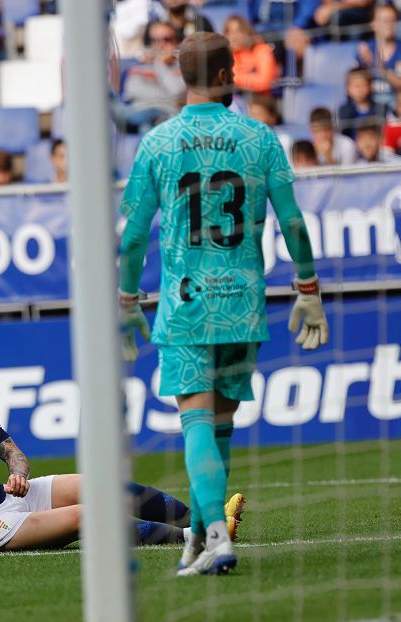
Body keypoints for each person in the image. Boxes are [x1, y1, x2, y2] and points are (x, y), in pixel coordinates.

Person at [118, 32, 328, 576]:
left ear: (186, 76)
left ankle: (216, 536)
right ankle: (198, 537)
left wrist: (126, 299)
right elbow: (295, 224)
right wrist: (308, 290)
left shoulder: (158, 143)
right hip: (243, 302)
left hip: (187, 303)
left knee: (195, 424)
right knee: (220, 426)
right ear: (223, 75)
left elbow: (134, 236)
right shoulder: (258, 138)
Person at [0, 359, 245, 553]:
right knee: (86, 516)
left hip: (6, 497)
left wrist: (18, 474)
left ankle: (206, 519)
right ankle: (198, 538)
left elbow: (11, 452)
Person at [112, 20, 186, 131]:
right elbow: (133, 91)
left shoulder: (184, 68)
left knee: (148, 127)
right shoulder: (138, 68)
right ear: (148, 44)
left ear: (177, 42)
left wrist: (160, 64)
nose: (161, 45)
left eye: (167, 39)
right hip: (138, 114)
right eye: (155, 40)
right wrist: (167, 98)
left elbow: (177, 92)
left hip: (170, 119)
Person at [357, 2, 401, 110]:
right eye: (385, 21)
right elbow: (355, 88)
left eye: (392, 20)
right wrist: (365, 68)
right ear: (374, 24)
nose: (389, 24)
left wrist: (383, 71)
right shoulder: (364, 51)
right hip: (371, 112)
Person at [223, 14, 279, 95]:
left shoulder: (261, 50)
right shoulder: (225, 55)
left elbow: (265, 82)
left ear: (247, 32)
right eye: (230, 32)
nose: (234, 36)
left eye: (239, 31)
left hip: (259, 97)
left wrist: (233, 78)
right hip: (233, 98)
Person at [337, 66, 386, 139]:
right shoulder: (342, 112)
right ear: (348, 89)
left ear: (370, 86)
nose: (360, 89)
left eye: (364, 85)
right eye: (356, 86)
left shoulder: (380, 109)